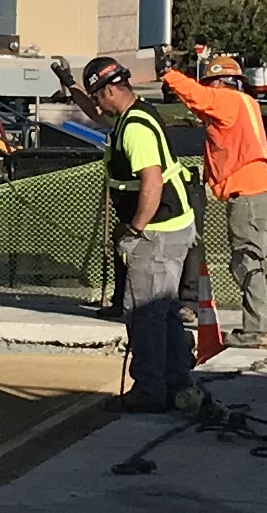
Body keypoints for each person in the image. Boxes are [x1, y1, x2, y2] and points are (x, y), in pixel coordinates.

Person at [82, 54, 203, 409]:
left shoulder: (135, 129)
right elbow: (92, 113)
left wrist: (134, 231)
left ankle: (150, 391)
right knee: (163, 312)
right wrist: (71, 87)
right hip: (168, 228)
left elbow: (151, 183)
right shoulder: (133, 114)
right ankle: (177, 383)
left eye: (97, 97)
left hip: (158, 232)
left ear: (109, 92)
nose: (97, 106)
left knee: (146, 314)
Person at [160, 47, 267, 347]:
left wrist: (168, 74)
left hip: (249, 199)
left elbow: (198, 98)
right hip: (263, 194)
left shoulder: (227, 101)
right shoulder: (248, 103)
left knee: (248, 263)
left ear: (218, 83)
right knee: (264, 264)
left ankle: (257, 330)